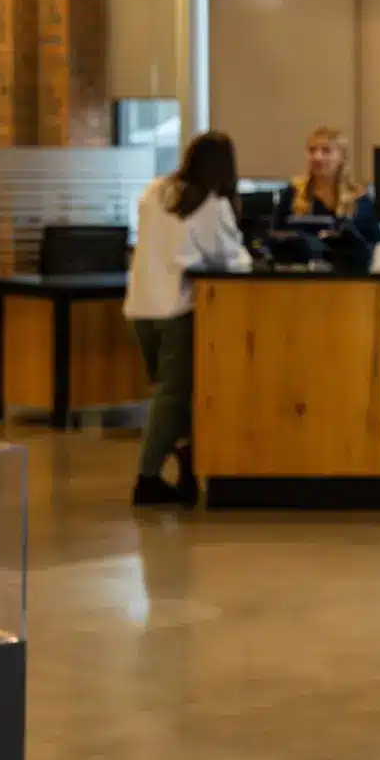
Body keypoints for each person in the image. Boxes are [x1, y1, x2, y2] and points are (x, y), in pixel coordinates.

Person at [121, 130, 252, 507]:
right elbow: (232, 259)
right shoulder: (210, 204)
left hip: (140, 307)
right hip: (177, 309)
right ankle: (147, 478)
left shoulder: (155, 191)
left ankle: (186, 459)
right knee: (174, 395)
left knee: (167, 391)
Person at [286, 125, 380, 244]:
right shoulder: (293, 193)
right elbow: (275, 238)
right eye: (312, 150)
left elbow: (376, 247)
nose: (317, 157)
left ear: (342, 157)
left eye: (326, 151)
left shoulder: (360, 200)